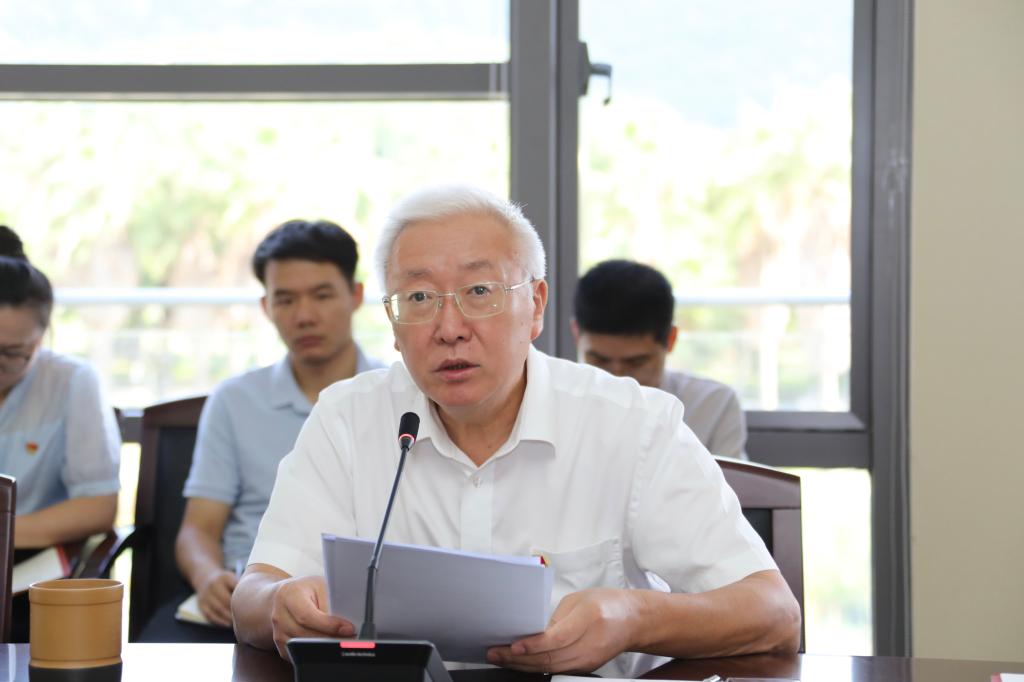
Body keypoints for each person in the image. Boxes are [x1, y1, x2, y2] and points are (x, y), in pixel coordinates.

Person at [232, 186, 800, 677]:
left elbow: (772, 612)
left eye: (479, 292)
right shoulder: (346, 418)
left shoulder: (633, 422)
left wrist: (632, 617)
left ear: (536, 306)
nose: (449, 328)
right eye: (419, 298)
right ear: (393, 324)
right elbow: (254, 595)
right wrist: (282, 604)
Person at [143, 220, 385, 643]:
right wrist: (208, 577)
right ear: (266, 307)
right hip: (249, 604)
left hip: (361, 607)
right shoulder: (235, 400)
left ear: (356, 295)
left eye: (322, 295)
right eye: (285, 299)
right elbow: (198, 529)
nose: (304, 316)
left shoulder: (395, 397)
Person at [0, 226, 121, 641]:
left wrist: (7, 533)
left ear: (42, 336)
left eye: (12, 353)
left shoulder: (71, 381)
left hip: (26, 569)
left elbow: (98, 506)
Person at [573, 259, 748, 459]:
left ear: (671, 339)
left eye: (636, 363)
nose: (617, 377)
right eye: (600, 360)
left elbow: (731, 479)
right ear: (576, 335)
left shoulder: (712, 405)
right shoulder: (556, 402)